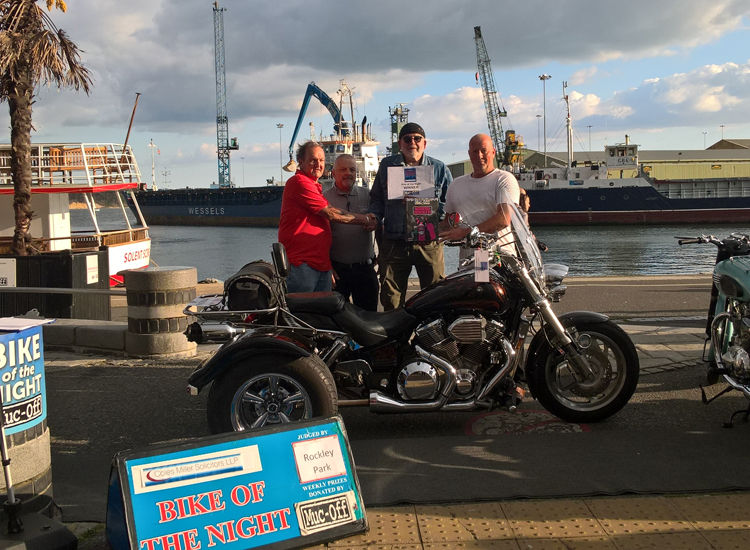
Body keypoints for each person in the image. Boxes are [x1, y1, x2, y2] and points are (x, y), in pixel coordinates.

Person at [369, 122, 452, 310]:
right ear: (400, 143)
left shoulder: (439, 168)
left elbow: (451, 203)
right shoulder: (386, 165)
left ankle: (430, 338)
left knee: (435, 296)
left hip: (428, 242)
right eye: (407, 139)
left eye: (417, 138)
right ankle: (397, 339)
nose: (412, 142)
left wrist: (429, 208)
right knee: (391, 299)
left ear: (425, 143)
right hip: (394, 242)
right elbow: (376, 199)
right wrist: (373, 216)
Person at [278, 141, 376, 293]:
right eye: (313, 160)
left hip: (320, 265)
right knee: (303, 314)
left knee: (321, 315)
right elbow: (332, 213)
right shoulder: (299, 182)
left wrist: (326, 265)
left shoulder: (315, 188)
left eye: (321, 160)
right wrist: (366, 220)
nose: (318, 164)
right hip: (303, 265)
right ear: (301, 161)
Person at [440, 134, 520, 259]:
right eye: (475, 151)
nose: (479, 156)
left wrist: (465, 233)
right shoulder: (456, 185)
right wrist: (421, 231)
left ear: (493, 152)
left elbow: (504, 219)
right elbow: (448, 223)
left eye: (484, 151)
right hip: (469, 261)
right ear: (469, 154)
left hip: (500, 258)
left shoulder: (504, 179)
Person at [323, 154, 379, 311]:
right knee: (338, 321)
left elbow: (379, 223)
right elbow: (318, 236)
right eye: (343, 169)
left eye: (352, 169)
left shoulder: (368, 196)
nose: (348, 173)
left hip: (365, 271)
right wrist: (327, 266)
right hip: (338, 273)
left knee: (369, 320)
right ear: (333, 173)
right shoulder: (324, 199)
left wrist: (383, 256)